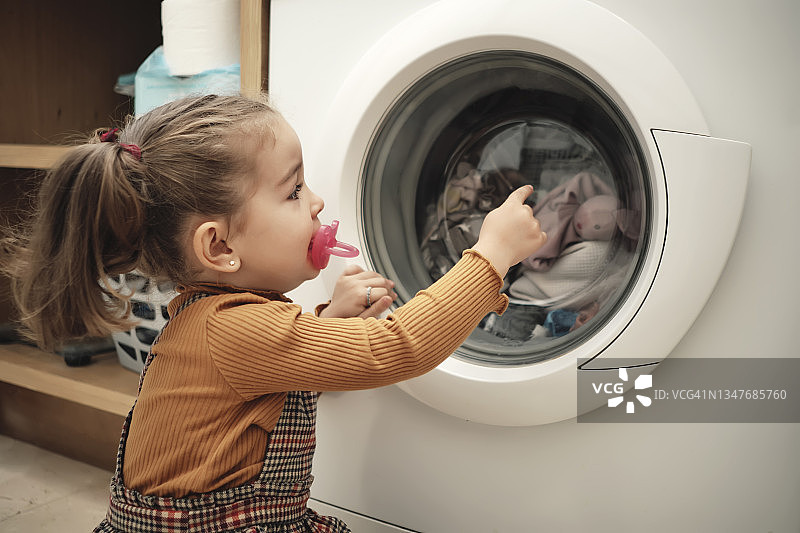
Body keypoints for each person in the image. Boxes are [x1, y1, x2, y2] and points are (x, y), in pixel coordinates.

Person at [0, 94, 546, 532]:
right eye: (292, 191)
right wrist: (492, 254)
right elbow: (396, 348)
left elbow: (273, 375)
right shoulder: (233, 328)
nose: (316, 203)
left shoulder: (219, 316)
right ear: (218, 249)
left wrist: (329, 322)